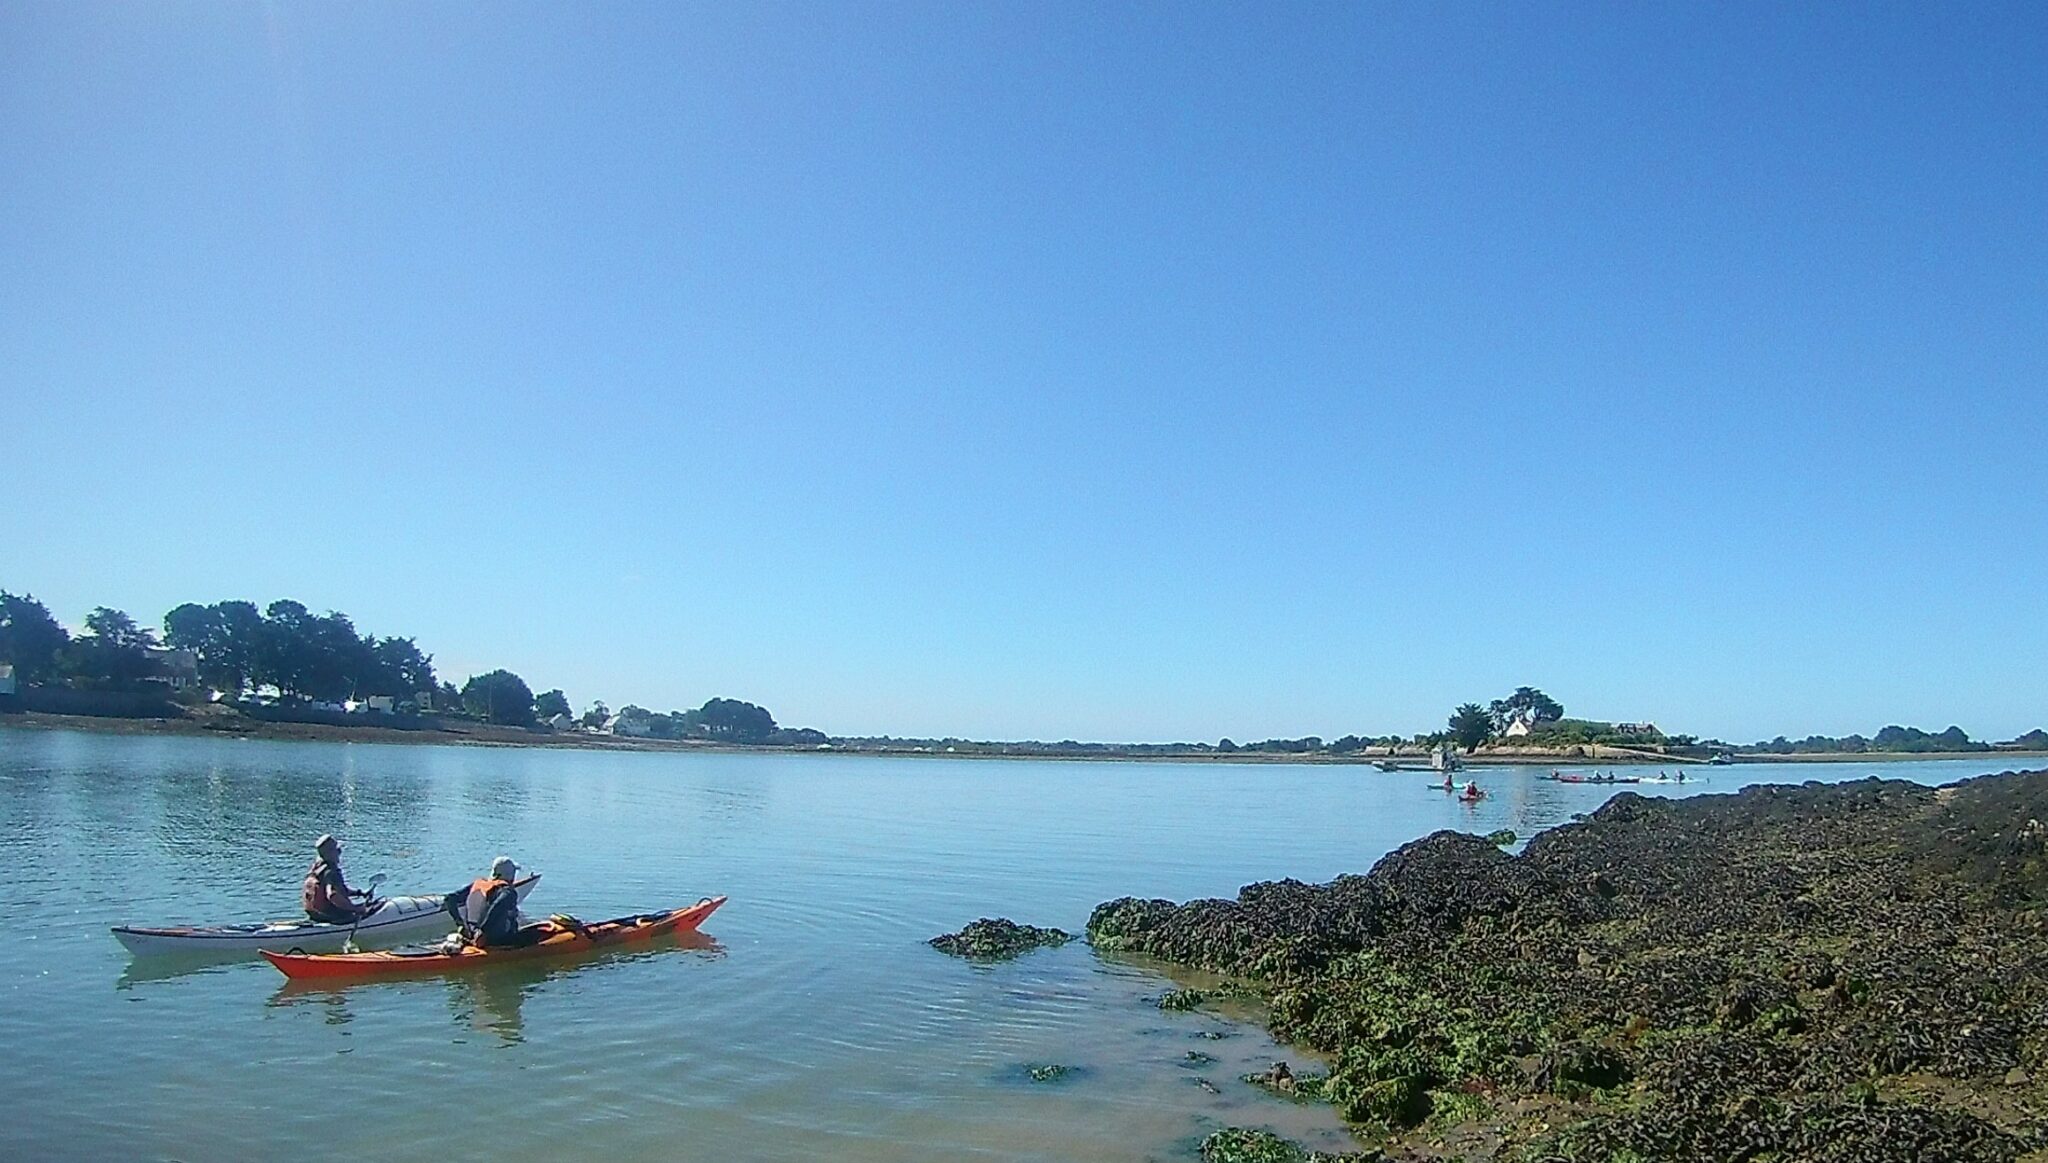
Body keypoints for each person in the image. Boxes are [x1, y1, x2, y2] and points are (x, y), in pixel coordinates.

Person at [444, 857, 541, 949]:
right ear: (510, 874)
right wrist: (483, 933)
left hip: (470, 935)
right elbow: (498, 906)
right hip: (493, 940)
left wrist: (461, 925)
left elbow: (449, 899)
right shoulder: (508, 892)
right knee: (537, 935)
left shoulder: (479, 884)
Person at [302, 834, 373, 924]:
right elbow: (332, 895)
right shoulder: (331, 872)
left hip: (316, 915)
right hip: (333, 916)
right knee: (371, 909)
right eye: (337, 849)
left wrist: (359, 893)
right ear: (330, 852)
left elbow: (339, 889)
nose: (339, 852)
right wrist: (355, 908)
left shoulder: (317, 869)